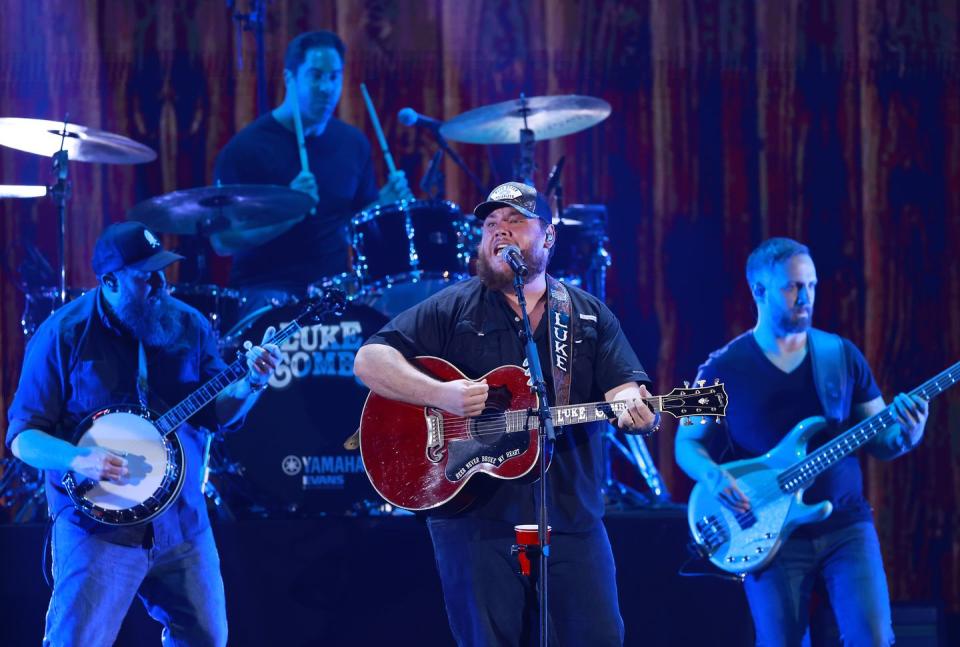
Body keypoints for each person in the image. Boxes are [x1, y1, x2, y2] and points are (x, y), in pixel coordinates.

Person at [353, 181, 658, 646]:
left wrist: (636, 405)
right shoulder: (454, 307)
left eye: (515, 221)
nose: (499, 231)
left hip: (571, 519)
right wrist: (442, 395)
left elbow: (624, 385)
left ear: (549, 237)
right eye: (491, 224)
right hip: (474, 521)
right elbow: (369, 360)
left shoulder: (587, 315)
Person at [6, 221, 283, 646]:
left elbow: (217, 415)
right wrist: (80, 458)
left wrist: (250, 385)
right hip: (96, 527)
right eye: (146, 276)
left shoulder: (188, 325)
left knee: (207, 638)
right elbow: (23, 437)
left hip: (182, 522)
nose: (160, 284)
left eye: (162, 271)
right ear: (110, 281)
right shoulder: (62, 335)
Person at [674, 237, 929, 646]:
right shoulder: (720, 367)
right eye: (793, 286)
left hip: (846, 524)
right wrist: (714, 477)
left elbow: (883, 439)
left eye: (811, 285)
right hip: (764, 531)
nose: (806, 296)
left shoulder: (840, 354)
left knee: (875, 639)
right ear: (759, 290)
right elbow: (686, 444)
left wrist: (908, 434)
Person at [212, 30, 412, 299]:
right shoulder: (246, 149)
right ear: (289, 79)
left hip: (333, 292)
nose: (327, 88)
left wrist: (382, 206)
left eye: (334, 76)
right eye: (315, 75)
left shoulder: (354, 143)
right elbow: (223, 241)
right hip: (266, 290)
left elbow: (349, 229)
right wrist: (289, 211)